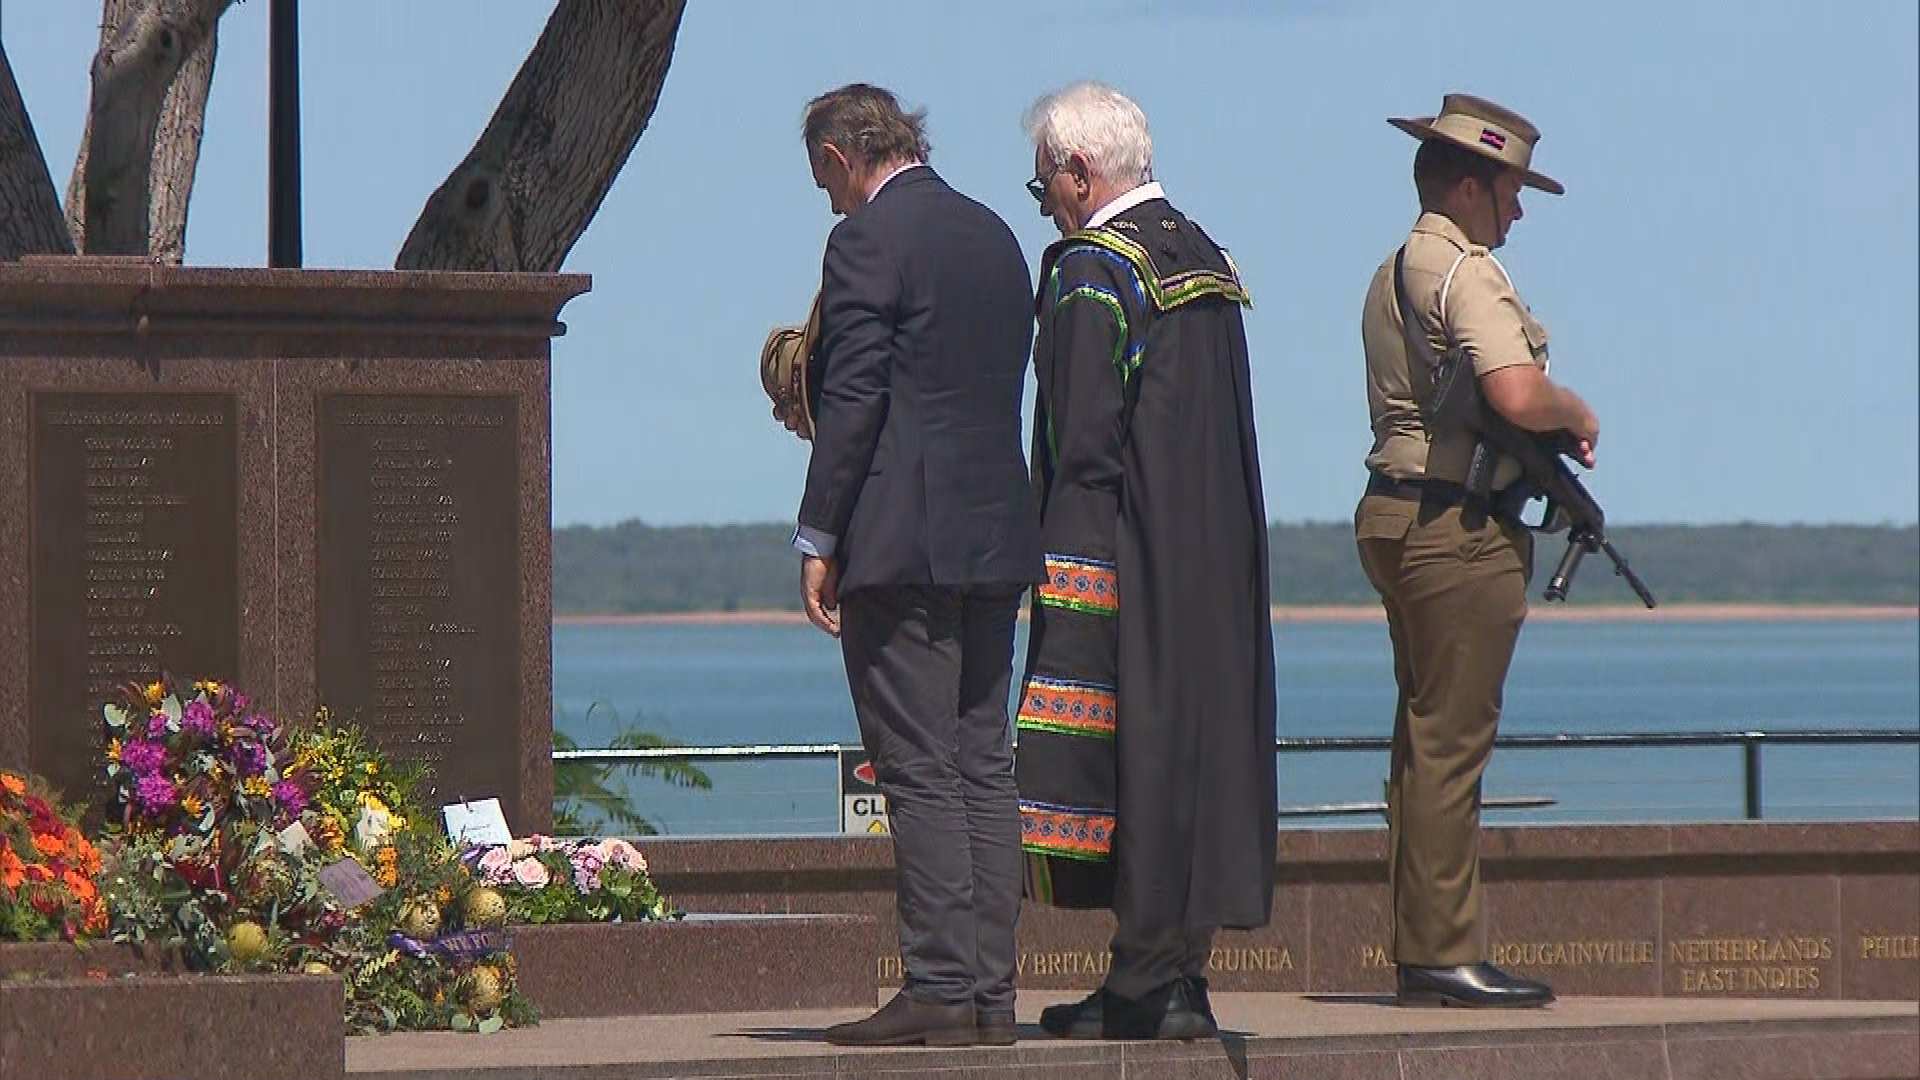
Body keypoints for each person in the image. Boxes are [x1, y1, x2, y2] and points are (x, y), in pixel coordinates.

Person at [1014, 82, 1277, 1041]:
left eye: (1043, 186)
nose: (1043, 204)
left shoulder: (1092, 268)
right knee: (1192, 761)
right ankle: (1176, 971)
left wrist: (1048, 565)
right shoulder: (1202, 256)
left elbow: (1081, 441)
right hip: (1215, 554)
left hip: (1122, 555)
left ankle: (1141, 982)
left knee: (1130, 766)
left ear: (1079, 174)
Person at [790, 83, 1044, 1047]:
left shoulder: (864, 242)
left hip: (902, 539)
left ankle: (938, 981)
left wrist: (819, 535)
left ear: (834, 157)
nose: (825, 198)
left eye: (821, 178)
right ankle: (989, 993)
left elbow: (853, 399)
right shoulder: (993, 235)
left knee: (919, 767)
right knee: (984, 761)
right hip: (994, 532)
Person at [1354, 93, 1600, 1008]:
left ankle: (1425, 945)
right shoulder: (1466, 271)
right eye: (1509, 189)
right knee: (1452, 747)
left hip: (1397, 513)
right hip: (1456, 529)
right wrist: (1575, 412)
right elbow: (1516, 390)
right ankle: (1443, 952)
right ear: (1469, 185)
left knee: (1422, 747)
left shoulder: (1392, 271)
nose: (1518, 210)